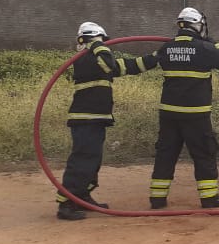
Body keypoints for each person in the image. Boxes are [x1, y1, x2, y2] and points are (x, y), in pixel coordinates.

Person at [57, 21, 151, 221]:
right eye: (102, 41)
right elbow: (109, 62)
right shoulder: (87, 58)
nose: (106, 45)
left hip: (95, 119)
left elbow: (125, 66)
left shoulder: (98, 60)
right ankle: (66, 204)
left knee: (93, 161)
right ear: (93, 39)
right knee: (82, 160)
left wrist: (156, 58)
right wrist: (97, 44)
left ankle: (82, 196)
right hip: (86, 119)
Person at [146, 7, 219, 208]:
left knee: (165, 155)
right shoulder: (204, 48)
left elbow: (153, 60)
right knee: (203, 154)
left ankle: (157, 199)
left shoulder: (167, 48)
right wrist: (213, 43)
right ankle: (209, 198)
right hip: (196, 114)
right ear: (197, 25)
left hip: (169, 114)